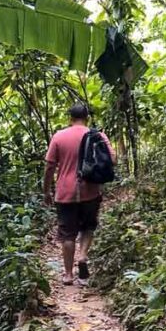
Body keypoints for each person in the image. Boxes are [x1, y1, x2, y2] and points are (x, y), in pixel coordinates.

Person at [44, 102, 116, 285]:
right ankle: (82, 256)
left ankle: (68, 275)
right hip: (90, 190)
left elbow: (50, 166)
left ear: (70, 118)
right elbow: (112, 159)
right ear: (87, 118)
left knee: (67, 234)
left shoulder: (59, 136)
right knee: (88, 227)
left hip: (65, 192)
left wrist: (46, 190)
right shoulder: (97, 135)